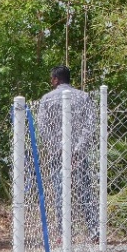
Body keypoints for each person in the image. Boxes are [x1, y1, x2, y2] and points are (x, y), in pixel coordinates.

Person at [36, 65, 99, 239]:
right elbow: (89, 125)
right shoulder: (83, 97)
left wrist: (58, 149)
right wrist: (78, 150)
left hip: (57, 153)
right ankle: (94, 230)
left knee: (60, 192)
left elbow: (43, 127)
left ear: (56, 79)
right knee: (86, 191)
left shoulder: (47, 99)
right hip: (80, 153)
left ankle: (65, 232)